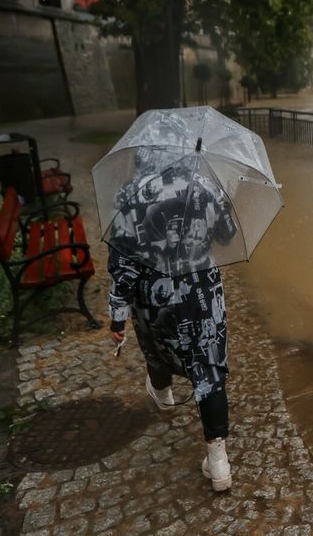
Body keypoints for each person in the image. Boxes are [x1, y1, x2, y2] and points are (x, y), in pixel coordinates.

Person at [106, 154, 238, 491]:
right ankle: (219, 461)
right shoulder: (205, 187)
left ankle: (163, 392)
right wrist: (221, 199)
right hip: (202, 293)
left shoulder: (131, 194)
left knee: (156, 346)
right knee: (208, 369)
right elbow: (227, 234)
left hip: (155, 297)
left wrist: (117, 315)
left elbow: (123, 265)